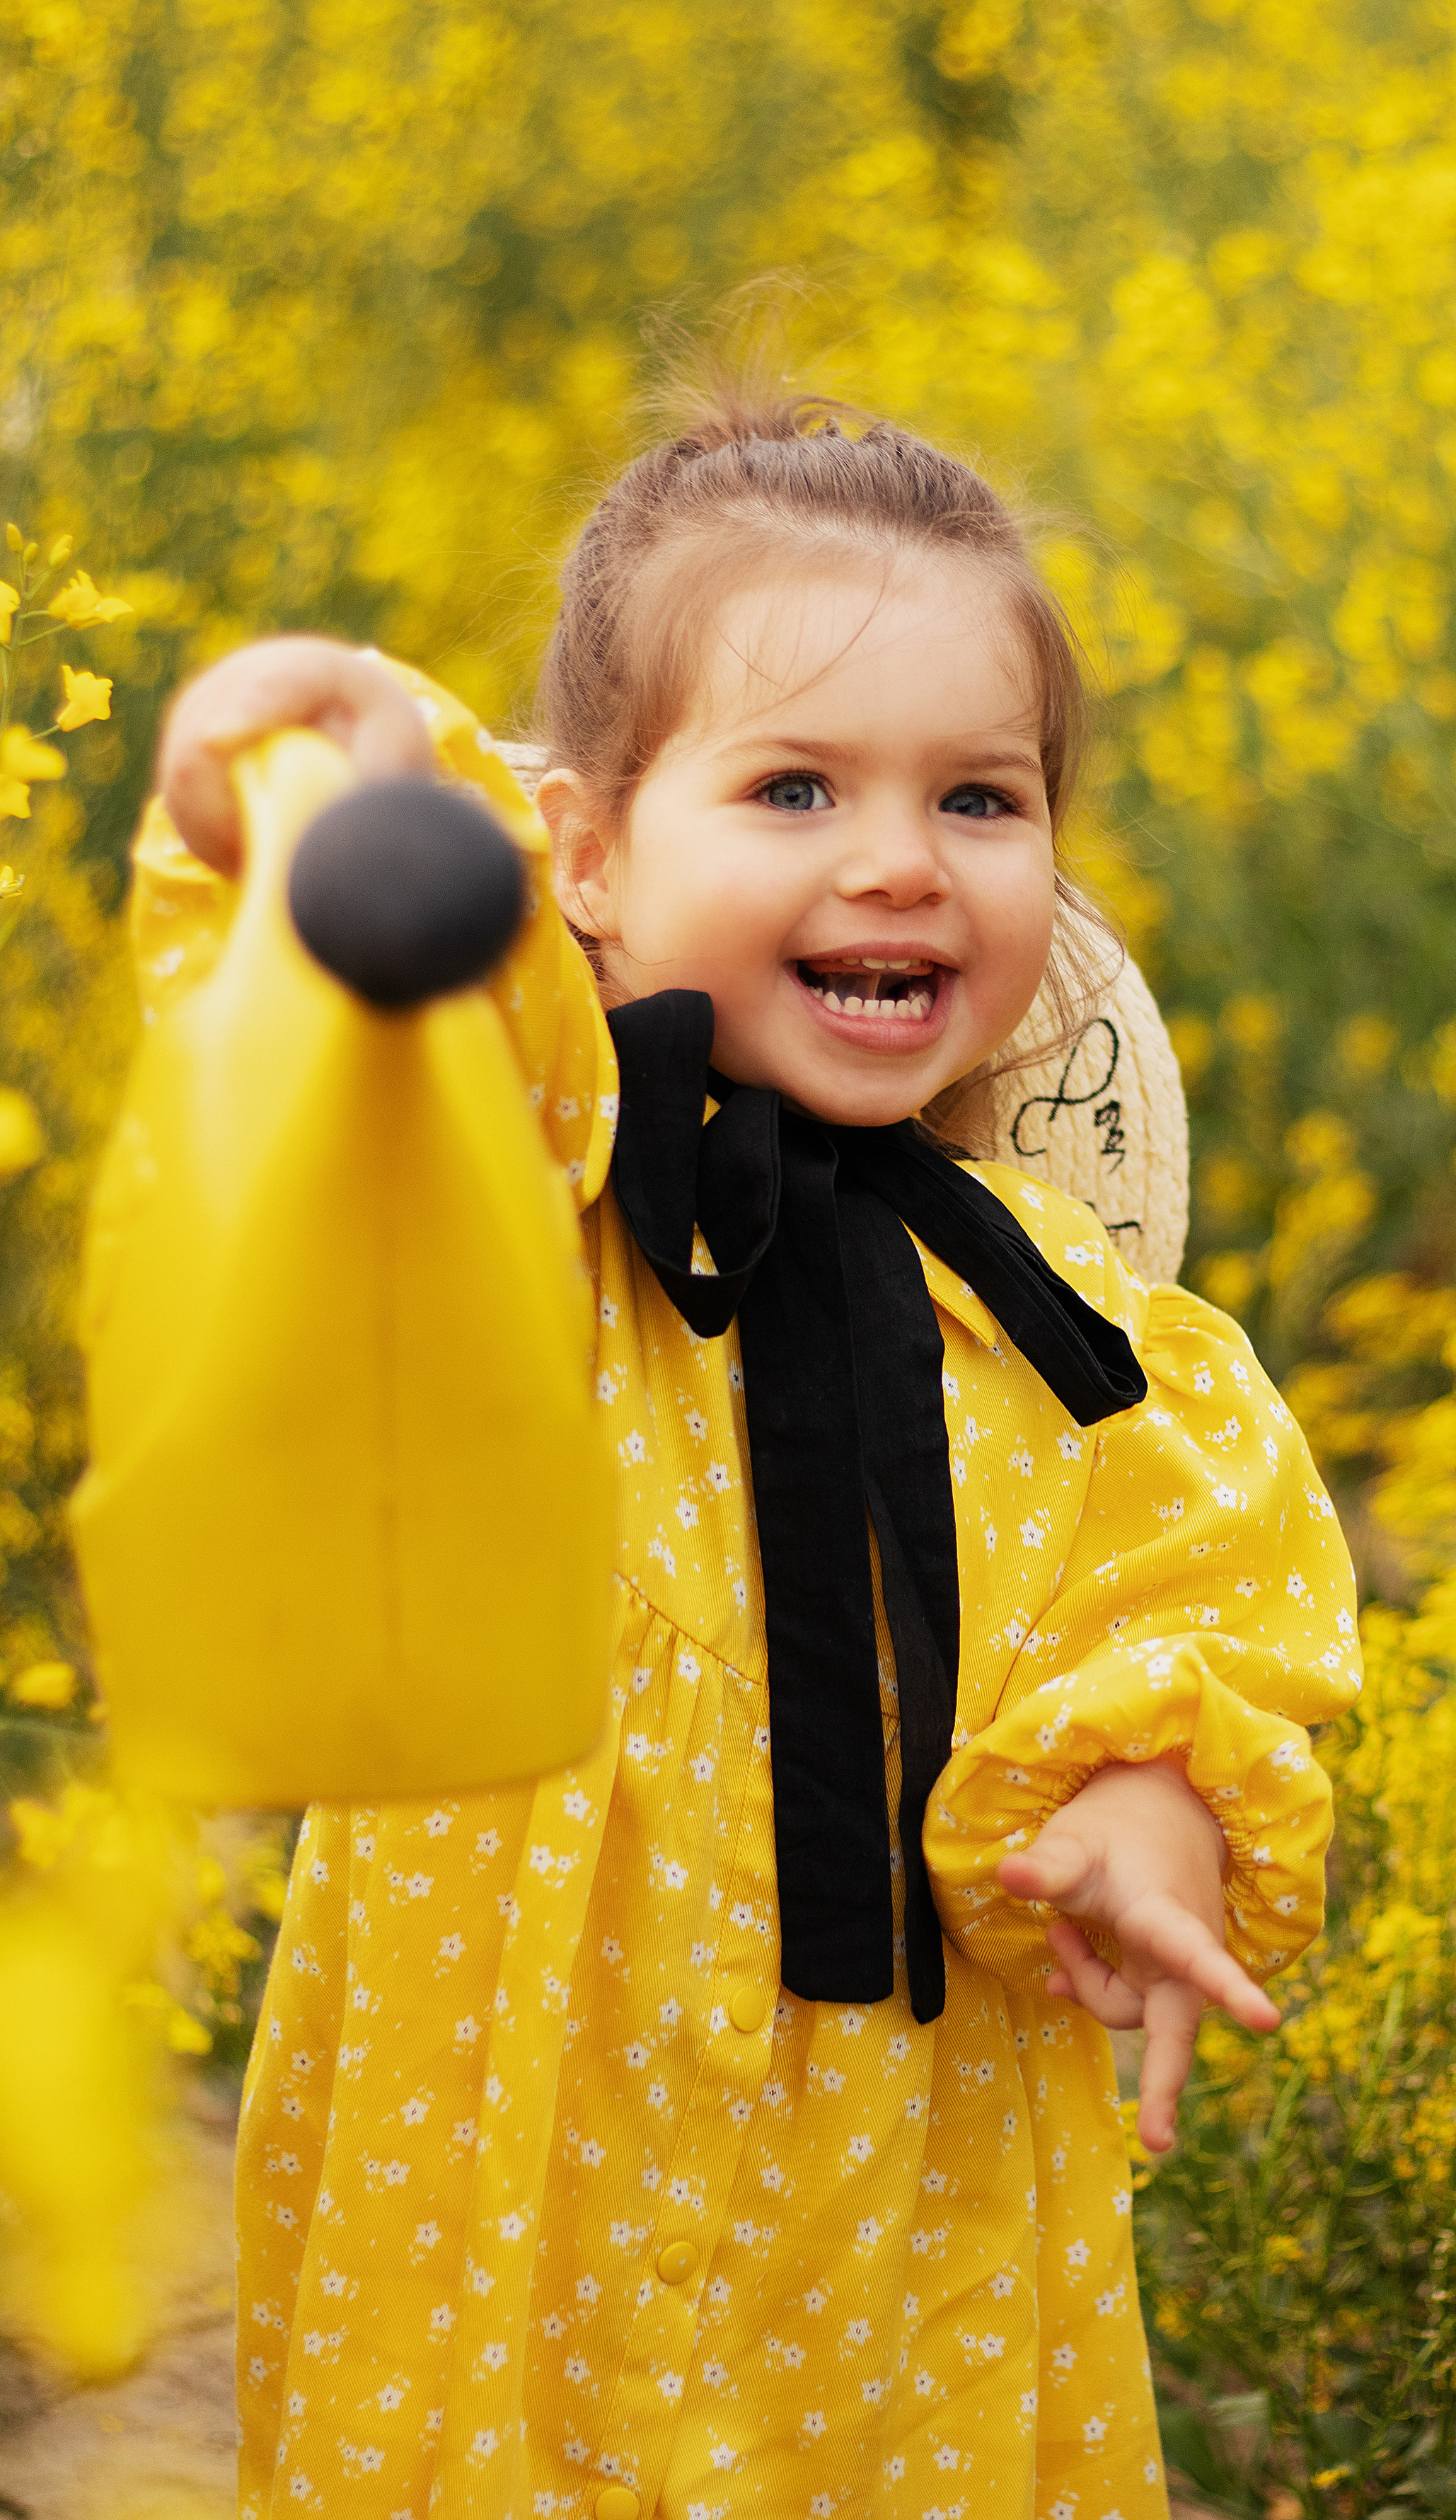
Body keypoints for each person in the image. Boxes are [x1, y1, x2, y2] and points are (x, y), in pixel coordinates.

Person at [145, 393, 1360, 2519]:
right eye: (795, 785)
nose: (899, 859)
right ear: (593, 859)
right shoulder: (533, 1179)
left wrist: (1146, 1812)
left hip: (910, 2186)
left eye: (981, 798)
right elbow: (378, 983)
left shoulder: (1083, 1335)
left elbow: (1203, 1622)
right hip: (516, 2138)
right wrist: (308, 755)